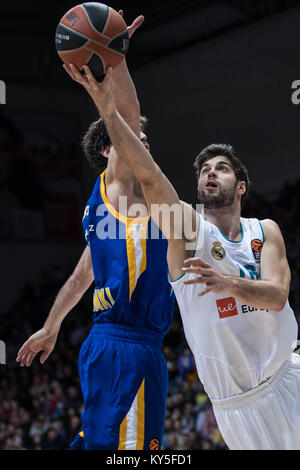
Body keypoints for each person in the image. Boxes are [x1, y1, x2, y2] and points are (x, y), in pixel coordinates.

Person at [75, 64, 300, 450]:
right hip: (237, 407)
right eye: (205, 170)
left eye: (223, 168)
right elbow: (149, 177)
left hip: (288, 375)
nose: (211, 174)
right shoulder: (186, 228)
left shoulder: (266, 230)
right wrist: (110, 106)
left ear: (241, 185)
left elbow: (277, 296)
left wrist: (228, 283)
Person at [16, 14, 175, 451]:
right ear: (110, 148)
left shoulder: (104, 207)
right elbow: (126, 113)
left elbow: (79, 277)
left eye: (143, 135)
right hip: (129, 346)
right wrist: (114, 56)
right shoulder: (121, 181)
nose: (142, 138)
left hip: (110, 344)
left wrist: (51, 327)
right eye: (130, 136)